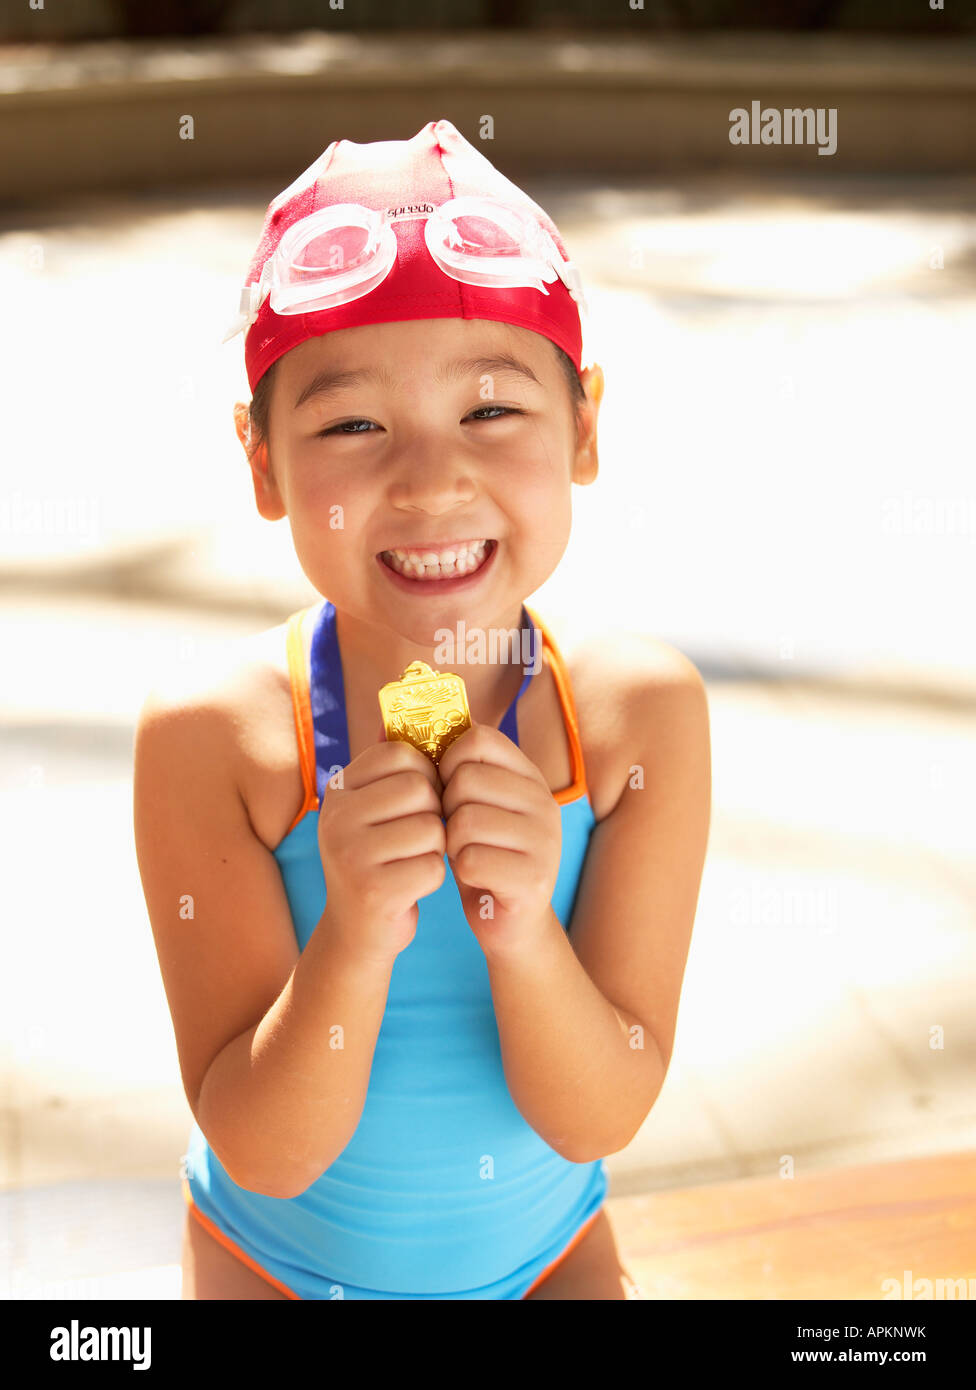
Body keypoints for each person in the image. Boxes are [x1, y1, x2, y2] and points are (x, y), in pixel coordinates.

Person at [133, 119, 711, 1300]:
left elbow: (597, 1116)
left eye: (492, 411)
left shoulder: (633, 721)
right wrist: (349, 937)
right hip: (274, 1265)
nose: (431, 479)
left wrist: (522, 935)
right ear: (262, 465)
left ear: (584, 427)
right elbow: (266, 1148)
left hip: (547, 1260)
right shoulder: (217, 739)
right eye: (351, 424)